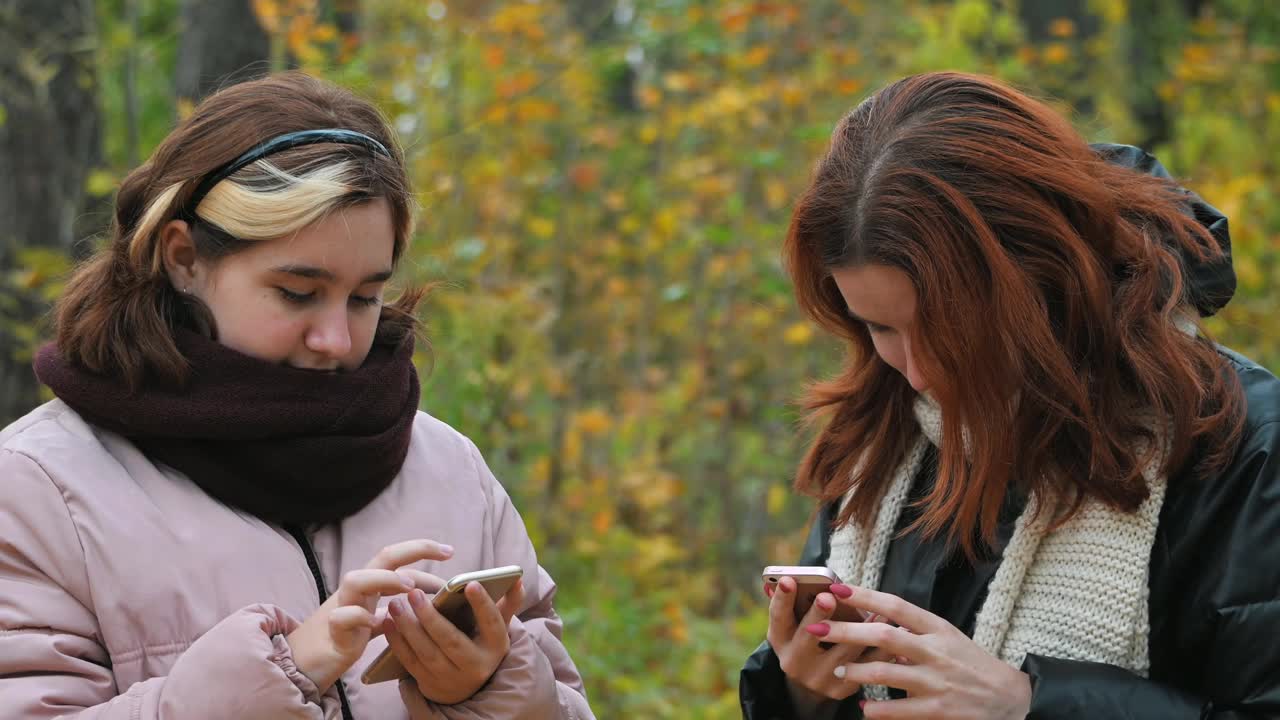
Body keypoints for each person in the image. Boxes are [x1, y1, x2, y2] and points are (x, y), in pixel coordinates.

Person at [0, 72, 594, 720]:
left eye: (365, 296)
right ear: (184, 258)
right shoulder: (38, 489)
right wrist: (277, 679)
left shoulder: (451, 472)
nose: (336, 339)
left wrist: (487, 692)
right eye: (297, 292)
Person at [740, 71, 1280, 719]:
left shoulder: (1243, 443)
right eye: (879, 327)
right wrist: (802, 691)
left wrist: (1029, 705)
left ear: (1040, 281)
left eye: (944, 331)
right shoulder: (882, 431)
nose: (915, 372)